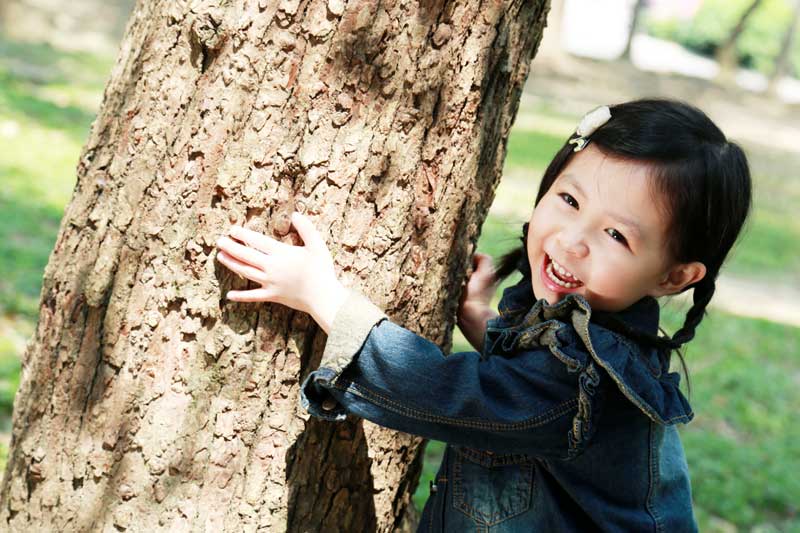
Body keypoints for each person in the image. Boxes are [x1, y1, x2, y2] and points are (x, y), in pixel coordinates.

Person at [214, 98, 752, 532]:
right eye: (569, 200)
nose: (572, 240)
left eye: (616, 235)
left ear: (674, 277)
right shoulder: (581, 339)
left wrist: (323, 297)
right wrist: (484, 323)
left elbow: (449, 395)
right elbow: (520, 396)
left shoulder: (588, 381)